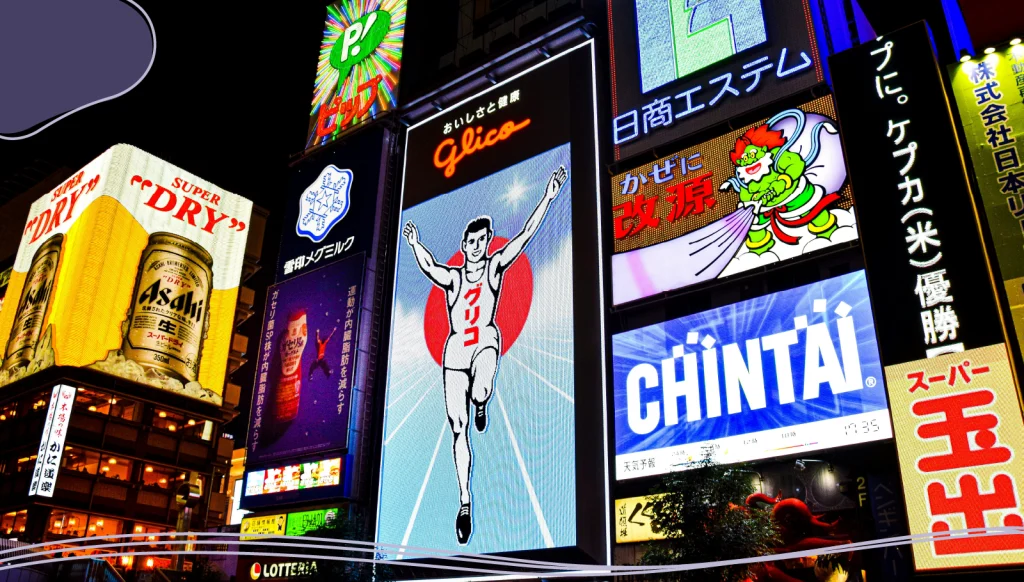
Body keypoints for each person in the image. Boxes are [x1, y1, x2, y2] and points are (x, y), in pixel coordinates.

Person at [402, 165, 567, 545]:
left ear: (488, 241)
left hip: (486, 340)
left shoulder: (495, 267)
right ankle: (464, 501)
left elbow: (526, 235)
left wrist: (548, 195)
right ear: (464, 245)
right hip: (456, 350)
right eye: (471, 241)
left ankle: (482, 401)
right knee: (458, 429)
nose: (477, 246)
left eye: (482, 240)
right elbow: (429, 266)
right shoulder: (454, 278)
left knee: (483, 381)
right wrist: (413, 243)